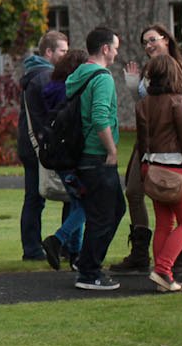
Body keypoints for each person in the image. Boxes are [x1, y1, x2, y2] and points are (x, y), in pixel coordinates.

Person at [108, 23, 182, 276]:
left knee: (170, 200)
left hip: (166, 146)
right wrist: (133, 88)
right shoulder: (152, 70)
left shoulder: (173, 69)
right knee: (133, 191)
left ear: (166, 39)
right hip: (146, 143)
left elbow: (172, 107)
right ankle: (142, 254)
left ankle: (178, 257)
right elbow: (147, 107)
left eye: (152, 40)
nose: (149, 45)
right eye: (145, 42)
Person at [135, 52, 182, 292]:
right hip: (173, 170)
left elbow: (141, 140)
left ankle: (163, 278)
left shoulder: (143, 103)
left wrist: (142, 171)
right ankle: (163, 270)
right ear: (173, 74)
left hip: (151, 168)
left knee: (164, 224)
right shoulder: (178, 101)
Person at [68, 26, 125, 291]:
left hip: (81, 154)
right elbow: (100, 116)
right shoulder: (102, 78)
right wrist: (112, 150)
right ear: (105, 48)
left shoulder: (78, 74)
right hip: (97, 155)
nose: (116, 52)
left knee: (110, 210)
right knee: (105, 214)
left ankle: (86, 260)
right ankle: (89, 272)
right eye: (114, 47)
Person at [16, 30, 69, 260]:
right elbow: (54, 114)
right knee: (71, 194)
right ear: (49, 52)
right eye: (62, 51)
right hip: (45, 145)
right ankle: (66, 244)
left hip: (29, 145)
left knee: (33, 198)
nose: (66, 56)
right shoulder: (46, 77)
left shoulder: (32, 74)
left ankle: (31, 247)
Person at [39, 48, 89, 270]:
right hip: (70, 156)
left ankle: (75, 254)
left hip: (57, 155)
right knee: (86, 203)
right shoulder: (70, 90)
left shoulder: (51, 88)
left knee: (77, 202)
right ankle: (57, 240)